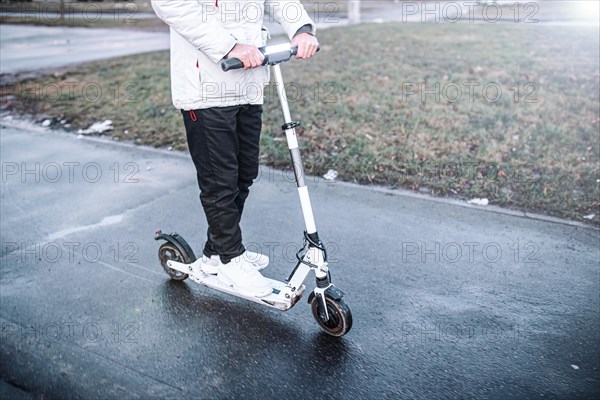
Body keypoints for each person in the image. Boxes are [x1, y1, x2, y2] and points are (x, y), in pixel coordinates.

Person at [152, 1, 319, 297]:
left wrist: (301, 29)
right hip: (207, 84)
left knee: (244, 174)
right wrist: (229, 46)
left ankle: (216, 253)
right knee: (220, 180)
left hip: (248, 79)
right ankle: (231, 256)